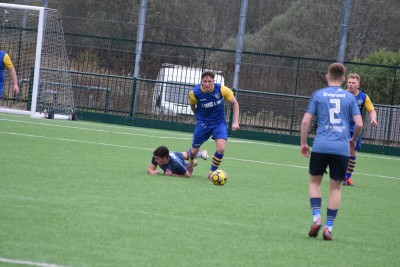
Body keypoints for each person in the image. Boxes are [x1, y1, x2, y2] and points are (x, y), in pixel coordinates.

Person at [300, 62, 363, 241]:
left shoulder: (318, 94)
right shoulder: (349, 98)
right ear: (343, 79)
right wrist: (352, 140)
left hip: (320, 146)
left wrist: (304, 143)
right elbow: (359, 124)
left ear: (328, 76)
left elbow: (305, 122)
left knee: (314, 184)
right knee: (336, 189)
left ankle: (316, 218)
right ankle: (328, 227)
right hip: (341, 149)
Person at [187, 71, 240, 179]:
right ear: (201, 81)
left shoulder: (222, 89)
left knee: (221, 148)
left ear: (213, 81)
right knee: (194, 151)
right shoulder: (195, 93)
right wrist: (197, 115)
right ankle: (191, 161)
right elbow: (192, 105)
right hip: (203, 123)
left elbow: (234, 103)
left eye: (209, 81)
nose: (207, 84)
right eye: (205, 81)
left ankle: (211, 173)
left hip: (219, 123)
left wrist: (235, 121)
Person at [343, 73, 377, 186]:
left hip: (356, 128)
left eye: (353, 83)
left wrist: (373, 119)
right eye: (349, 82)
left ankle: (347, 178)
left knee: (352, 152)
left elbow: (371, 110)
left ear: (358, 84)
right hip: (342, 127)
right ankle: (341, 175)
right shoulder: (342, 94)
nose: (351, 84)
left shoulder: (363, 97)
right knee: (343, 151)